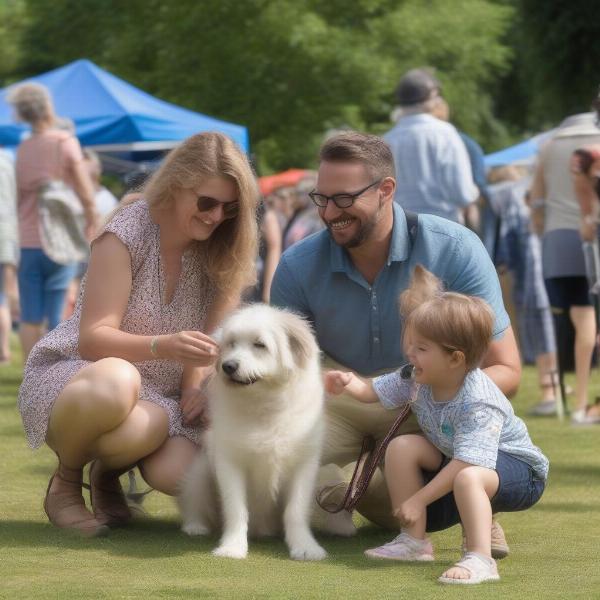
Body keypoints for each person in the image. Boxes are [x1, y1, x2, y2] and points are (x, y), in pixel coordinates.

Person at [270, 131, 521, 555]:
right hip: (338, 398)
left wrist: (440, 395)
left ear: (386, 190)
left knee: (400, 513)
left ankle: (469, 510)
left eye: (345, 199)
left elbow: (507, 370)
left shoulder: (456, 249)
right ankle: (338, 490)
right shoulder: (296, 264)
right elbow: (278, 366)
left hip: (425, 407)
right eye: (322, 199)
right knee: (265, 461)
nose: (330, 213)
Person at [17, 132, 259, 536]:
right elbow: (93, 337)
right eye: (207, 203)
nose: (217, 217)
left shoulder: (226, 246)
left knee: (180, 476)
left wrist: (193, 390)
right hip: (83, 374)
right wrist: (163, 345)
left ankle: (106, 477)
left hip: (161, 401)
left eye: (230, 208)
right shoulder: (127, 230)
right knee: (118, 380)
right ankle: (65, 481)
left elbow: (210, 344)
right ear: (176, 185)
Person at [325, 266, 548, 585]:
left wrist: (419, 500)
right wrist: (349, 383)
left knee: (469, 478)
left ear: (455, 359)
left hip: (519, 470)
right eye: (410, 344)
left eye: (421, 348)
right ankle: (413, 542)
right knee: (402, 446)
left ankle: (480, 558)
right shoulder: (416, 376)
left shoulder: (478, 400)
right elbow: (372, 390)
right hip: (463, 458)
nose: (409, 353)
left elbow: (467, 463)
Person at [7, 83, 99, 362]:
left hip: (27, 238)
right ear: (48, 107)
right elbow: (84, 188)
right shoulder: (64, 142)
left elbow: (19, 193)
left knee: (29, 315)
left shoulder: (23, 148)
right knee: (57, 311)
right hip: (61, 236)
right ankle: (52, 372)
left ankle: (30, 372)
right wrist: (92, 217)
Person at [529, 110, 600, 424]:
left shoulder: (548, 145)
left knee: (564, 321)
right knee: (587, 320)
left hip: (556, 240)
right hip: (589, 236)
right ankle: (582, 403)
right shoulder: (592, 145)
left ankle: (564, 399)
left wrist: (541, 229)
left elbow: (536, 200)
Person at [487, 167, 559, 415]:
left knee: (533, 321)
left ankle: (550, 388)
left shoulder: (503, 199)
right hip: (538, 271)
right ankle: (552, 385)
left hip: (519, 273)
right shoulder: (519, 198)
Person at [384, 68, 478, 222]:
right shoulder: (445, 133)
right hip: (442, 225)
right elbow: (462, 192)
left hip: (399, 226)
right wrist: (476, 193)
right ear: (432, 96)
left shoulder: (387, 140)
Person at [0, 148, 19, 364]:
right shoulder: (8, 160)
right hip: (8, 232)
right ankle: (4, 350)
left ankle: (4, 350)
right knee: (3, 296)